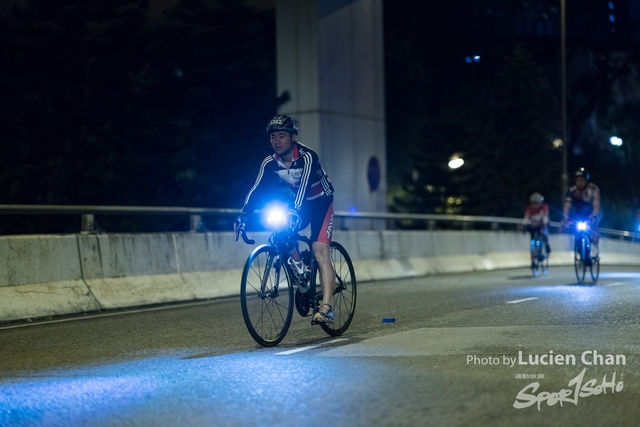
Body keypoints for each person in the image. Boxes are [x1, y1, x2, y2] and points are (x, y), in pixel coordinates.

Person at [234, 115, 336, 324]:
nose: (277, 141)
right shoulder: (270, 162)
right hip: (302, 203)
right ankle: (301, 271)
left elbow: (306, 185)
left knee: (319, 251)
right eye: (273, 137)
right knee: (279, 232)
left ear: (293, 137)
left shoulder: (307, 157)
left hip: (321, 202)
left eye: (282, 136)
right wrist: (244, 214)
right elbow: (256, 188)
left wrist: (295, 211)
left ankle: (326, 307)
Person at [562, 167, 602, 259]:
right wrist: (565, 218)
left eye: (582, 180)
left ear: (586, 180)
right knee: (577, 230)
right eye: (578, 180)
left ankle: (595, 247)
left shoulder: (593, 188)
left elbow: (596, 204)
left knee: (594, 226)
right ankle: (580, 251)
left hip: (593, 212)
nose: (580, 182)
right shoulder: (572, 190)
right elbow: (567, 205)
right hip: (580, 214)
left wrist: (594, 215)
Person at [523, 192, 551, 269]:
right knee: (532, 242)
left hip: (542, 225)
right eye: (533, 203)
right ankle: (533, 261)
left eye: (537, 203)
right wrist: (524, 225)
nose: (535, 205)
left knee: (544, 233)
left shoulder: (544, 207)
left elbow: (545, 216)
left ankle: (547, 245)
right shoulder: (529, 208)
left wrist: (544, 225)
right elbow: (526, 217)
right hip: (534, 226)